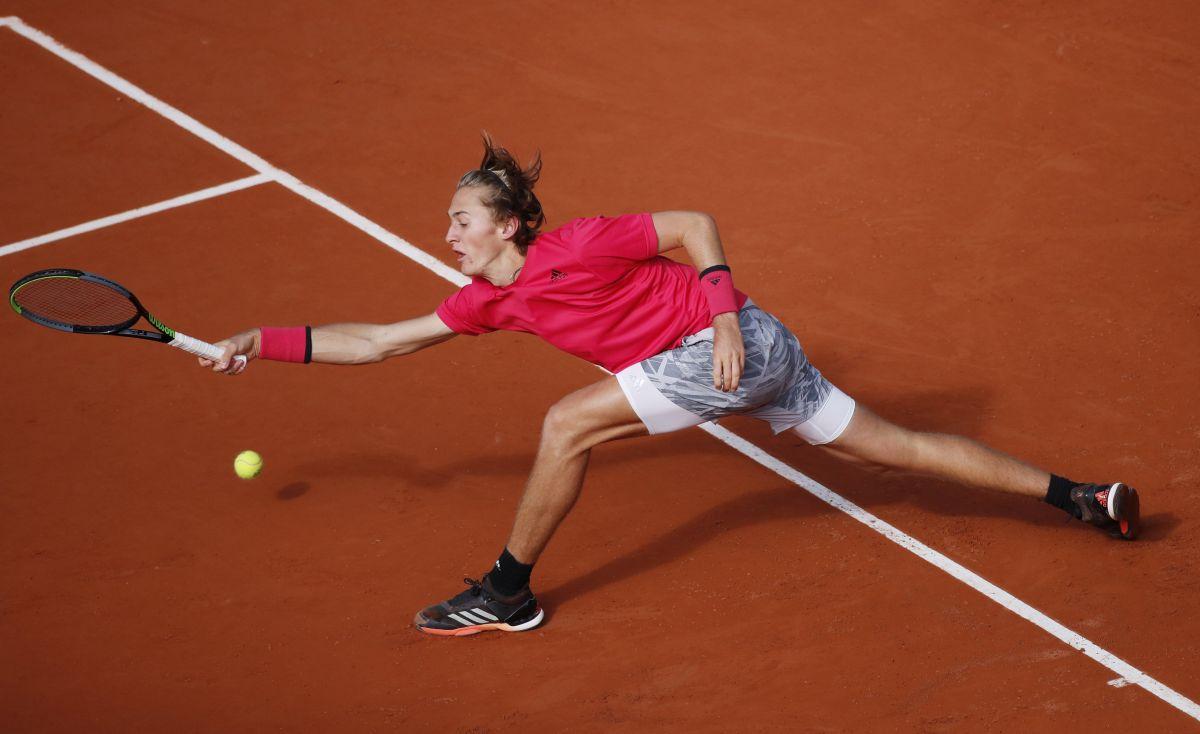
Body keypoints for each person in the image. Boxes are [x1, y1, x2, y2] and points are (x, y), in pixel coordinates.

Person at [200, 135, 1141, 637]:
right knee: (894, 447)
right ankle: (1082, 496)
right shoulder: (492, 304)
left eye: (460, 220)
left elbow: (693, 222)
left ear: (511, 226)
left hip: (733, 339)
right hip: (757, 356)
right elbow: (377, 343)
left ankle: (507, 592)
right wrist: (261, 340)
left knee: (565, 424)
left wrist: (726, 314)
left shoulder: (574, 244)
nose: (448, 234)